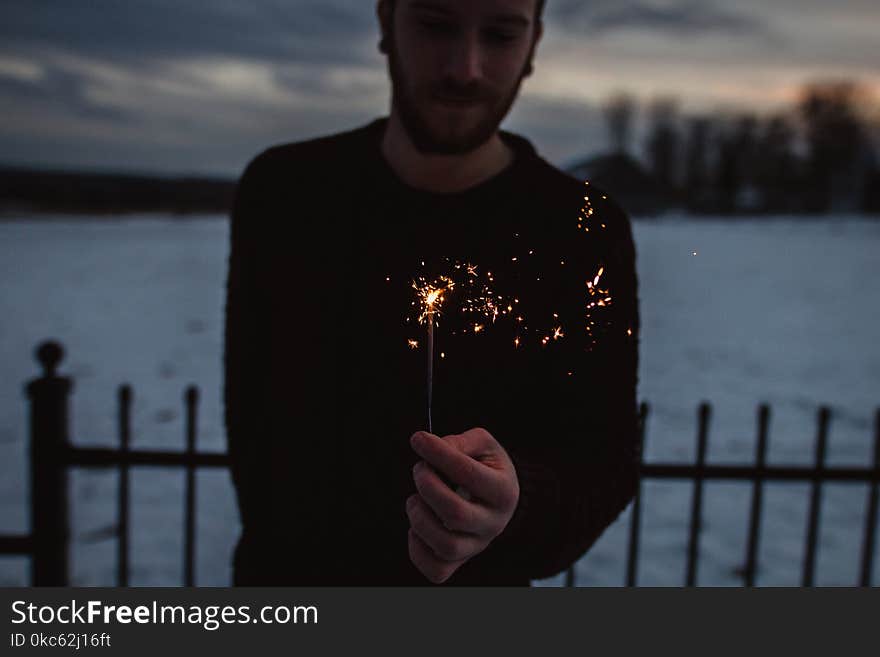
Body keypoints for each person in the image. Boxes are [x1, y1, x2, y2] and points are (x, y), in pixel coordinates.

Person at [223, 0, 640, 586]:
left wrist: (513, 509)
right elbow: (252, 423)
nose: (465, 68)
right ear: (385, 21)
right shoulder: (285, 196)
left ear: (534, 43)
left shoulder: (581, 227)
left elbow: (602, 461)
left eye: (499, 33)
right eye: (436, 24)